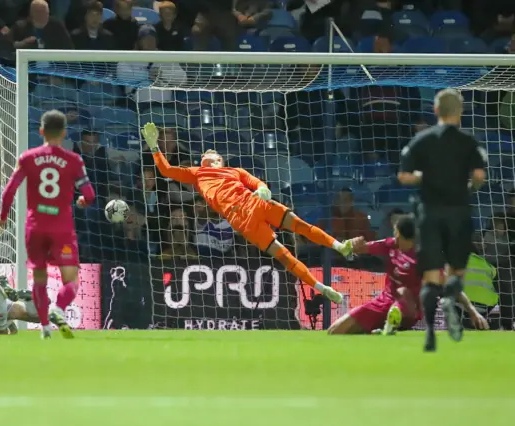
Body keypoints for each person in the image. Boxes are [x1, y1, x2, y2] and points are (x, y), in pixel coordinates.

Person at [142, 122, 359, 304]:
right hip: (241, 219)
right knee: (284, 255)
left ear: (220, 161)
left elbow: (255, 182)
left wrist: (263, 189)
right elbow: (166, 171)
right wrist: (154, 147)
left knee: (299, 226)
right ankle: (321, 286)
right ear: (202, 162)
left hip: (255, 204)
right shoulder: (197, 174)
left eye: (213, 154)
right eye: (206, 154)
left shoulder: (235, 171)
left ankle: (340, 246)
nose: (209, 154)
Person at [398, 88, 488, 352]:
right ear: (460, 112)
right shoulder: (469, 142)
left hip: (430, 213)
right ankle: (451, 299)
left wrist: (426, 178)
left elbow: (403, 177)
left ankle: (429, 334)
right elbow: (480, 177)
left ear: (436, 111)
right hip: (459, 212)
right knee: (455, 272)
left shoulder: (422, 140)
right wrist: (465, 187)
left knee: (431, 275)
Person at [0, 110, 96, 339]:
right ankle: (58, 310)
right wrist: (82, 201)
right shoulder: (73, 160)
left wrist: (2, 217)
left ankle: (45, 328)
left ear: (41, 131)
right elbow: (90, 195)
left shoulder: (28, 158)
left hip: (35, 227)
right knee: (71, 280)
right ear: (64, 133)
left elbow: (9, 191)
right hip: (61, 228)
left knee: (39, 279)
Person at [328, 215, 488, 335]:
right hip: (381, 303)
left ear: (400, 233)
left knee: (404, 295)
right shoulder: (390, 245)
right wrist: (351, 243)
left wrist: (473, 312)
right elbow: (358, 248)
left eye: (395, 230)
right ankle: (381, 329)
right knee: (334, 331)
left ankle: (391, 321)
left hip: (408, 310)